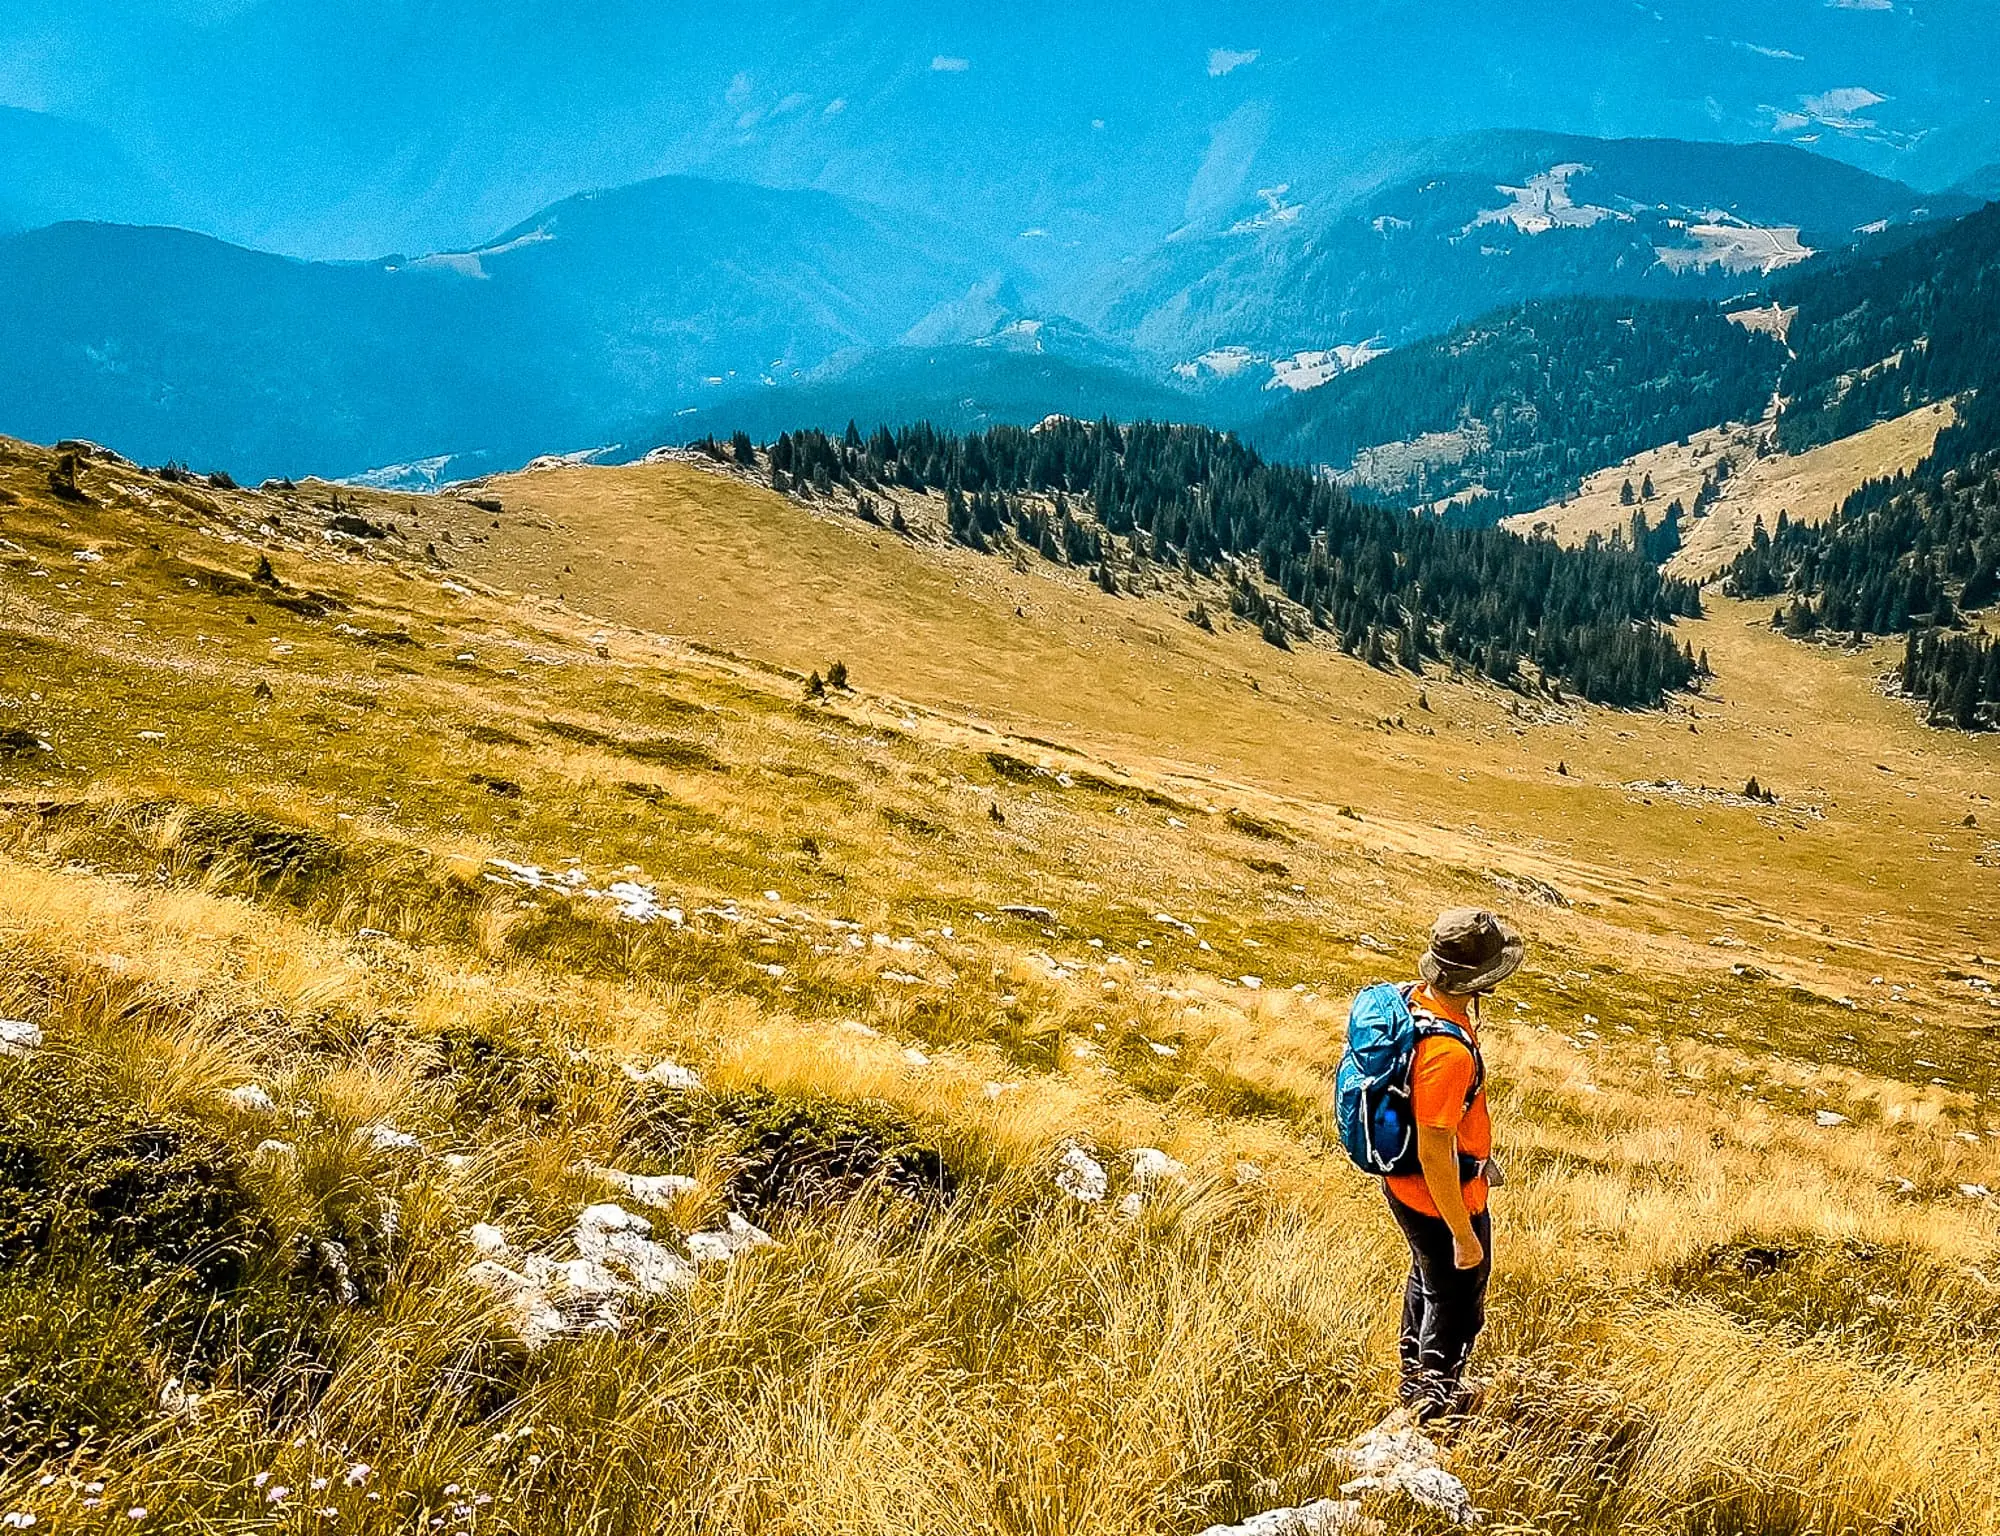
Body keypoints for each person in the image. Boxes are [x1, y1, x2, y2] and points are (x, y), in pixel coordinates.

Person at [1383, 907, 1522, 1421]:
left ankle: (1413, 1381)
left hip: (1406, 1184)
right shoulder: (1448, 1052)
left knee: (1430, 1277)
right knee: (1459, 1300)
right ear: (1478, 981)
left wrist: (1480, 1160)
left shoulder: (1414, 1003)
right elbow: (1432, 1146)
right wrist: (1464, 1232)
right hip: (1438, 1194)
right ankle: (1430, 1406)